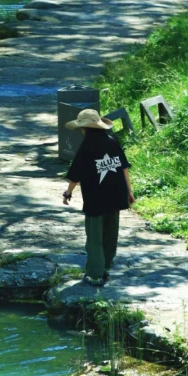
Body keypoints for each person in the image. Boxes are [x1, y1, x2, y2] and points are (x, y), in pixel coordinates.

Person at [61, 109, 134, 287]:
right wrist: (129, 192)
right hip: (116, 195)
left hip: (95, 199)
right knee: (110, 235)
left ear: (85, 128)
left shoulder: (86, 147)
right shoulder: (112, 141)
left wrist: (68, 193)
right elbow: (124, 167)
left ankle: (95, 275)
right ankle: (106, 268)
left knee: (95, 238)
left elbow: (75, 175)